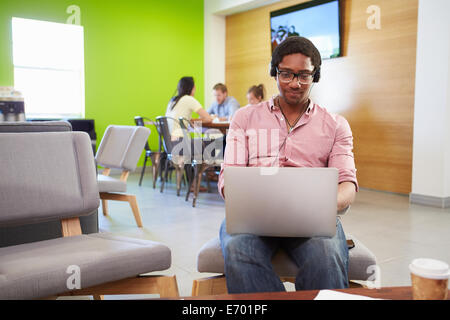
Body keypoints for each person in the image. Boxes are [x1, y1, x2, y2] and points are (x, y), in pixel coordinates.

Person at [217, 36, 358, 293]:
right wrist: (243, 199)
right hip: (254, 216)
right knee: (238, 248)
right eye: (286, 74)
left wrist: (319, 205)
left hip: (313, 218)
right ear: (274, 73)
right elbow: (228, 178)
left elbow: (347, 185)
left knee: (326, 258)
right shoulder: (244, 118)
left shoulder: (336, 124)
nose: (295, 83)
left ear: (315, 76)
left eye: (304, 75)